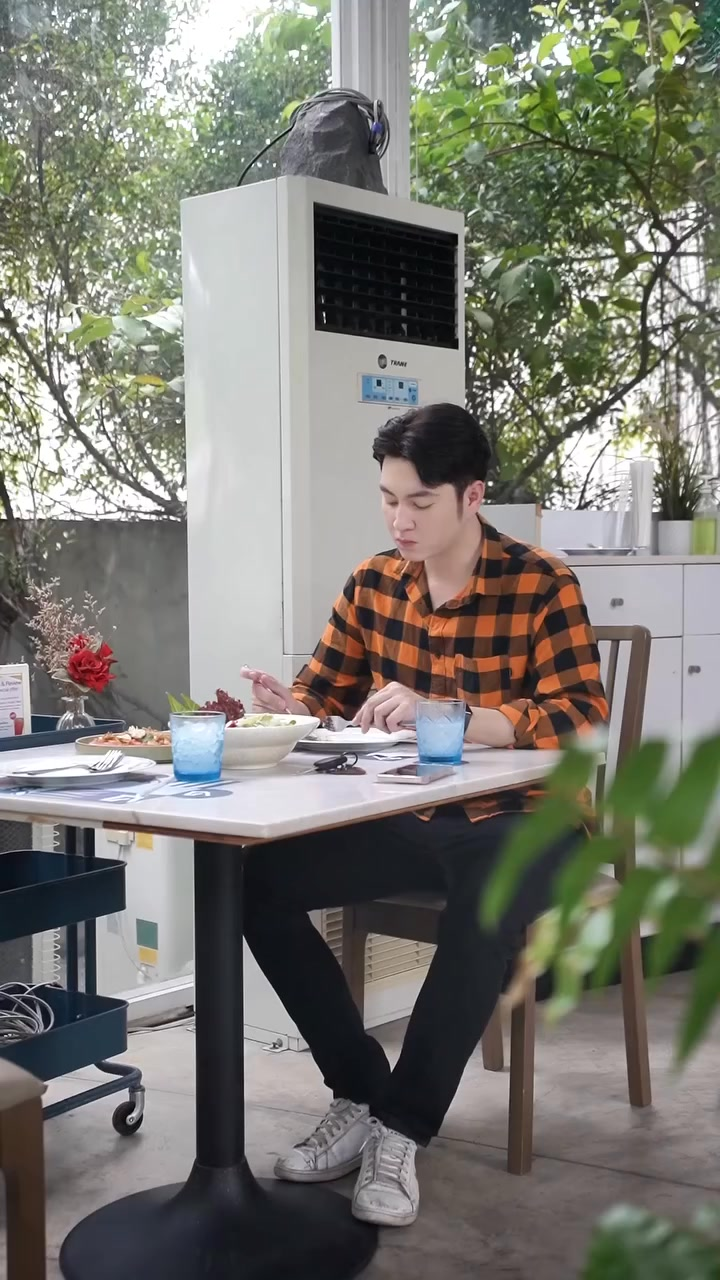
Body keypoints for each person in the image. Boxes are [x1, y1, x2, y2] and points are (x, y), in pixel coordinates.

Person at [240, 402, 608, 1229]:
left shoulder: (541, 583)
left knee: (485, 902)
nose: (399, 520)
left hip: (531, 817)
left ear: (472, 495)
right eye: (387, 499)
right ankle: (361, 1092)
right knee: (254, 879)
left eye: (418, 502)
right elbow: (323, 697)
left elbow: (582, 715)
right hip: (411, 813)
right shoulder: (374, 584)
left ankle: (402, 1130)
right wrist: (287, 708)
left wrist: (454, 714)